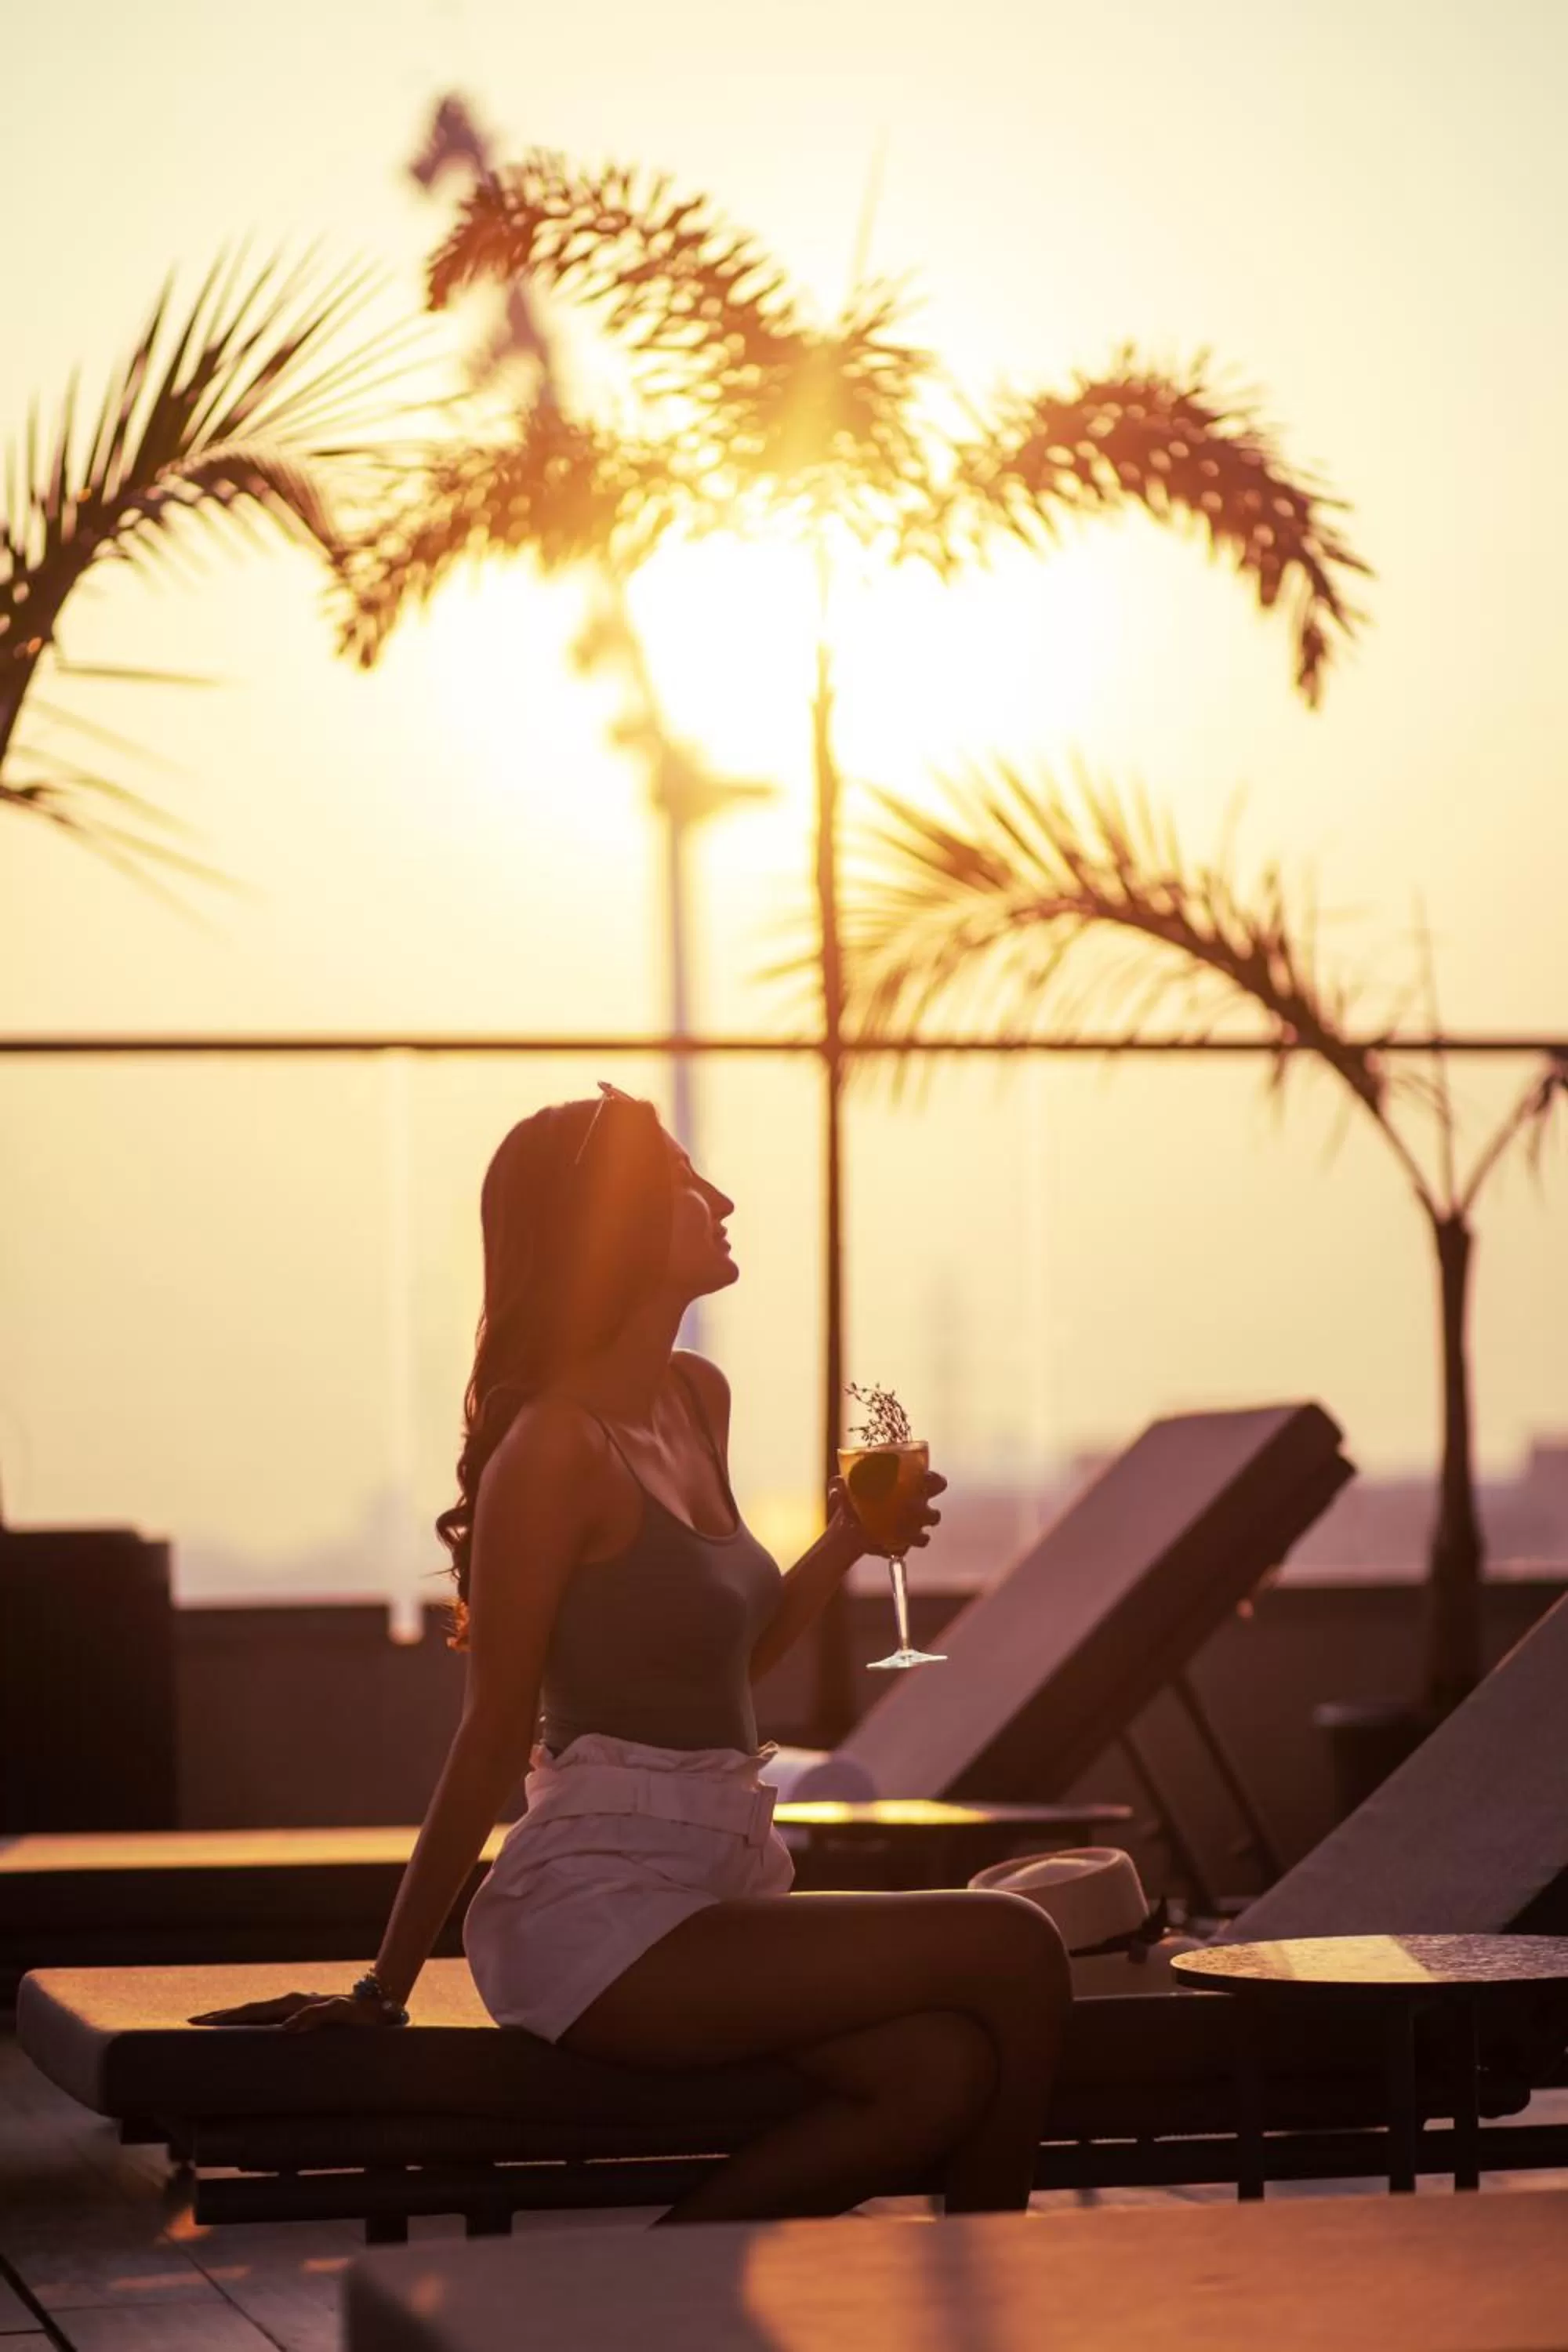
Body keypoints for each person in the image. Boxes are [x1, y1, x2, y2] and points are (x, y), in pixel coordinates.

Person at [194, 1083, 1069, 2220]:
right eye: (681, 1187)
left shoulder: (695, 1398)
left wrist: (848, 1542)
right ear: (605, 1233)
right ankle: (1036, 2303)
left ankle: (632, 2301)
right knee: (1014, 1943)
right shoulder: (551, 1450)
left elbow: (728, 1665)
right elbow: (490, 1732)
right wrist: (384, 1984)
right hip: (598, 1915)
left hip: (720, 1880)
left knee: (935, 2074)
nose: (722, 1200)